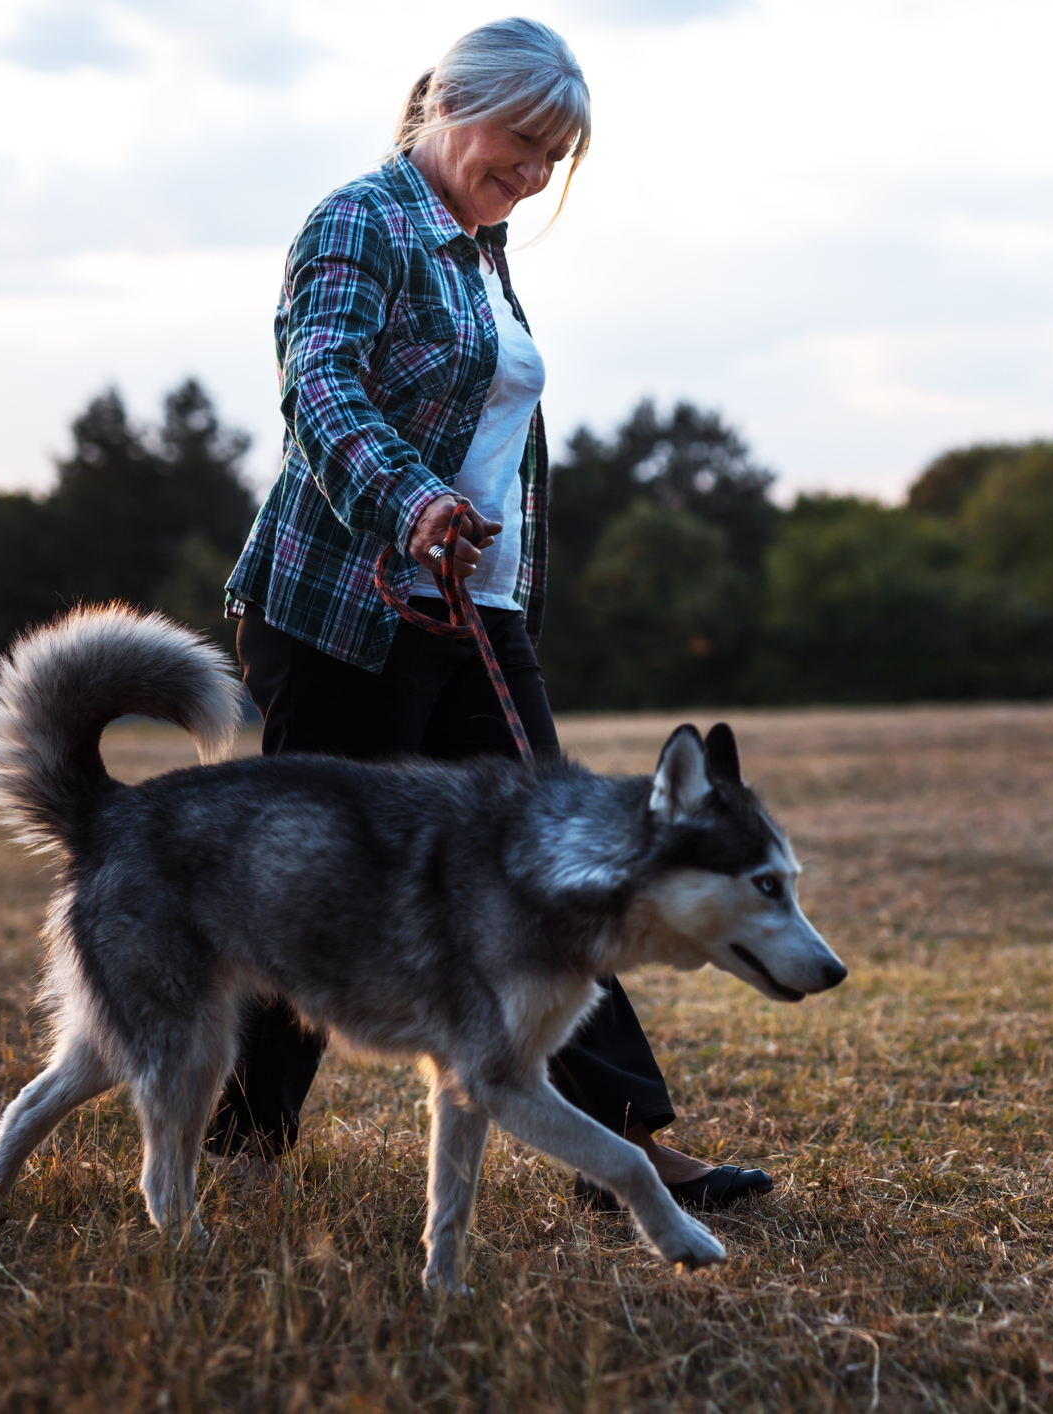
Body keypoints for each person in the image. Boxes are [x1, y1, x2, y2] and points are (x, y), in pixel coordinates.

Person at [216, 18, 771, 1210]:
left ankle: (623, 1142)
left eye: (551, 160)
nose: (531, 176)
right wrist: (407, 501)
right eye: (522, 143)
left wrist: (476, 547)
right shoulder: (360, 219)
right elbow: (319, 384)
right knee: (314, 881)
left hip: (477, 611)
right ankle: (246, 1143)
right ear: (450, 106)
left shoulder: (481, 249)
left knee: (566, 861)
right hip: (347, 612)